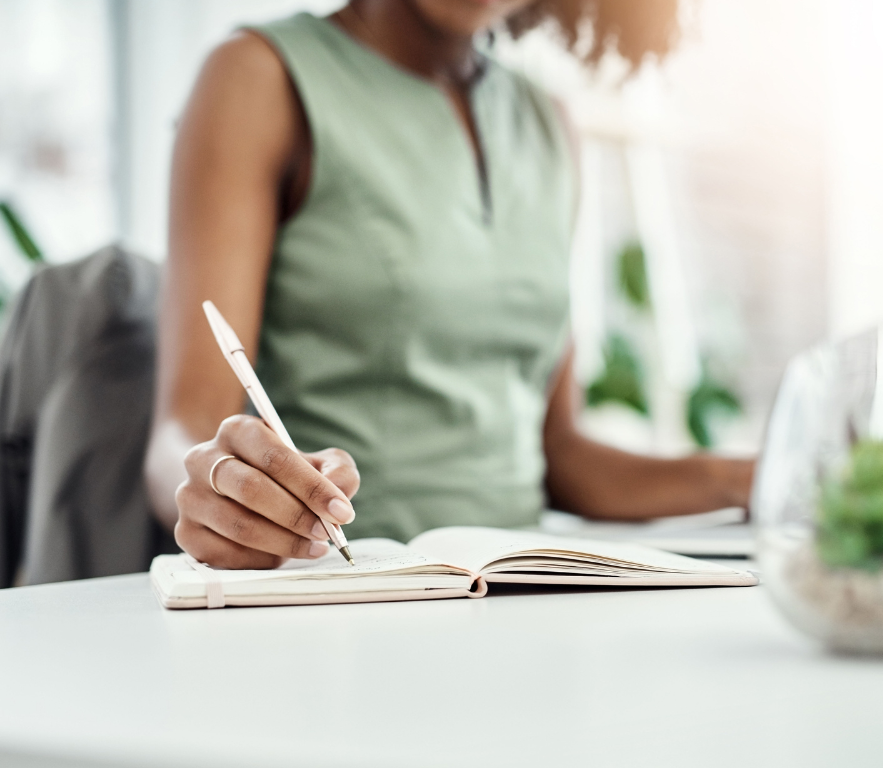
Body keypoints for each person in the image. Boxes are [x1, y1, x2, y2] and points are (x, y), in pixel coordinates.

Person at [143, 0, 755, 570]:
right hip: (346, 587)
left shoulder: (548, 124)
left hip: (522, 585)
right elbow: (181, 435)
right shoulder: (257, 79)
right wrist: (217, 487)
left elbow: (560, 455)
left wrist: (745, 479)